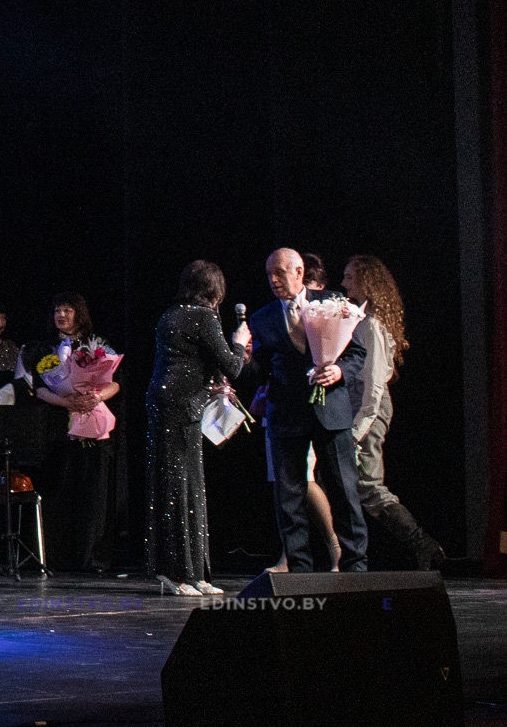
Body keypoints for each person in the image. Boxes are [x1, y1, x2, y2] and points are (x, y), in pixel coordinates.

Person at [248, 248, 368, 572]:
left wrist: (339, 370)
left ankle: (355, 565)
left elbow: (356, 354)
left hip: (331, 411)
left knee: (344, 490)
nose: (273, 280)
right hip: (287, 413)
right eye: (269, 274)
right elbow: (260, 369)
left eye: (279, 273)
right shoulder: (262, 318)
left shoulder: (333, 302)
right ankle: (299, 567)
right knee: (289, 495)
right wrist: (245, 358)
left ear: (299, 272)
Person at [145, 261, 249, 596]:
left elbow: (194, 360)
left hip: (166, 401)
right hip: (180, 405)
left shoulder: (170, 314)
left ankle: (191, 573)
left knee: (181, 483)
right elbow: (232, 366)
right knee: (182, 485)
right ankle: (178, 573)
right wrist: (239, 343)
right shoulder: (204, 316)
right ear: (215, 289)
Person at [342, 255, 444, 569]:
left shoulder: (371, 326)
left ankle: (423, 544)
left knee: (368, 486)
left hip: (368, 408)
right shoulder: (361, 319)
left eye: (349, 277)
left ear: (366, 282)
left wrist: (357, 431)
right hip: (356, 403)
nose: (344, 284)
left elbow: (373, 387)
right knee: (346, 482)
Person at [24, 292, 120, 573]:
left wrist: (95, 397)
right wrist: (67, 401)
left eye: (67, 310)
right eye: (57, 310)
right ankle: (57, 557)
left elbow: (115, 382)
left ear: (80, 313)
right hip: (58, 430)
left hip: (93, 429)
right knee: (59, 492)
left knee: (93, 495)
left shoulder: (97, 345)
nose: (61, 315)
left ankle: (91, 558)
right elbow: (38, 388)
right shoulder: (44, 349)